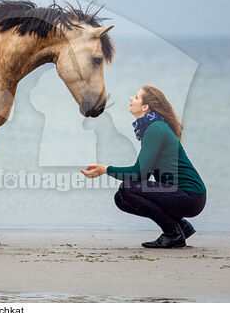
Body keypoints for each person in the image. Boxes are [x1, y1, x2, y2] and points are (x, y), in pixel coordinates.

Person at [81, 85, 206, 248]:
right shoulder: (153, 127)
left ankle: (173, 233)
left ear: (145, 107)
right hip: (183, 195)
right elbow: (143, 176)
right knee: (122, 198)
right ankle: (180, 226)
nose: (131, 99)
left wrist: (106, 170)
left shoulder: (156, 129)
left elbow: (138, 173)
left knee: (127, 190)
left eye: (136, 97)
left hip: (190, 196)